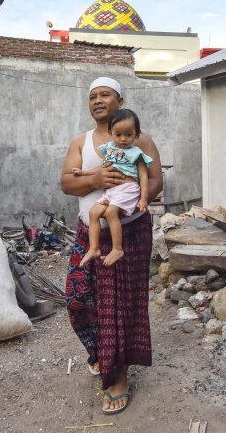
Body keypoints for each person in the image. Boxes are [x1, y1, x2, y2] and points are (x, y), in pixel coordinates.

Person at [61, 77, 162, 416]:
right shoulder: (83, 141)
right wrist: (95, 179)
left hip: (130, 233)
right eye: (92, 97)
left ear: (120, 99)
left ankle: (118, 376)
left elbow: (157, 180)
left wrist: (132, 197)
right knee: (77, 299)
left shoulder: (139, 139)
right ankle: (99, 351)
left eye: (105, 95)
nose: (98, 101)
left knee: (121, 306)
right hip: (88, 231)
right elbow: (66, 182)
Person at [79, 108, 152, 268]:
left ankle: (117, 249)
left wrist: (143, 199)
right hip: (112, 191)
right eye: (118, 135)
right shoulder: (110, 150)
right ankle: (94, 248)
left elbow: (144, 176)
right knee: (94, 212)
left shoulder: (136, 153)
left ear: (136, 135)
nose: (123, 139)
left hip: (128, 189)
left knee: (111, 212)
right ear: (111, 133)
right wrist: (83, 172)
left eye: (129, 134)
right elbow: (101, 168)